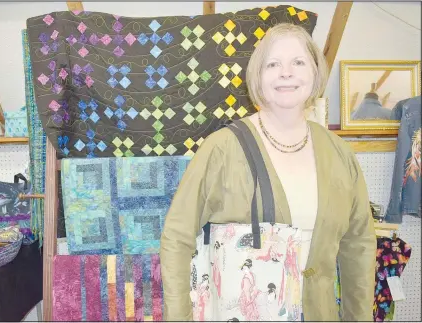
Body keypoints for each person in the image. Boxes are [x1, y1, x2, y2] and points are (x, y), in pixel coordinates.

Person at [160, 23, 376, 321]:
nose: (286, 72)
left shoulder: (339, 154)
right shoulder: (222, 149)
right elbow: (177, 237)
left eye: (298, 62)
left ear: (315, 72)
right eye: (273, 64)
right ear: (258, 77)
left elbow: (359, 246)